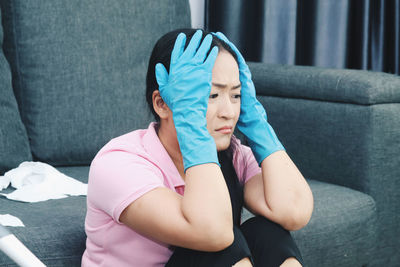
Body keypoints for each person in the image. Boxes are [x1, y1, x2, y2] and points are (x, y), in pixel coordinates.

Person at [82, 28, 314, 267]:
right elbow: (213, 232)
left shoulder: (233, 155)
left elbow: (294, 211)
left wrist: (257, 124)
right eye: (211, 95)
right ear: (162, 104)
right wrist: (191, 125)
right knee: (219, 244)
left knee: (267, 233)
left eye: (236, 96)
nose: (228, 113)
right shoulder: (118, 163)